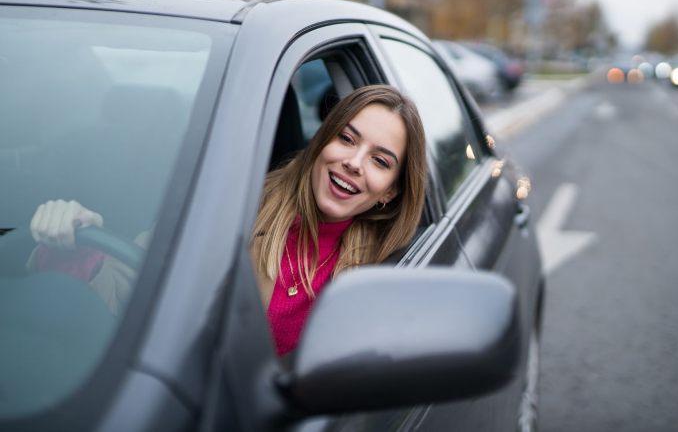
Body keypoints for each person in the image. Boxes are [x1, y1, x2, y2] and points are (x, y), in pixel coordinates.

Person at [27, 84, 427, 355]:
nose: (353, 163)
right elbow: (128, 288)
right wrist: (75, 246)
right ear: (323, 141)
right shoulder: (231, 204)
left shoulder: (385, 269)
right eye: (346, 138)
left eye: (379, 160)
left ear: (391, 190)